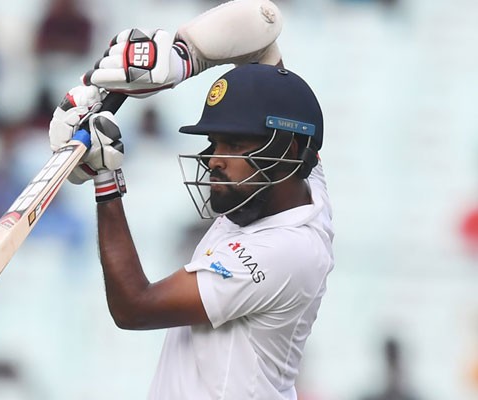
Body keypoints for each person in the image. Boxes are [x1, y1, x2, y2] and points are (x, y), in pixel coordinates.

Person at [49, 25, 334, 399]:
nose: (215, 159)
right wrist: (182, 58)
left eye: (235, 144)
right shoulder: (297, 178)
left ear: (288, 150)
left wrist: (106, 179)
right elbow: (261, 23)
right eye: (215, 142)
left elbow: (135, 307)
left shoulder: (286, 251)